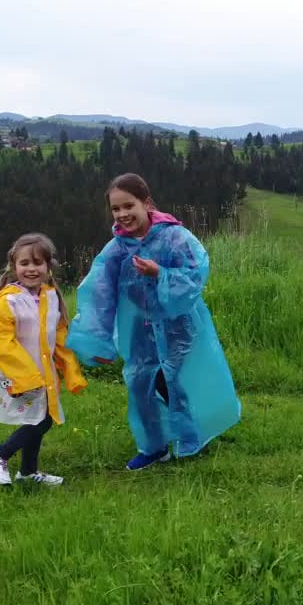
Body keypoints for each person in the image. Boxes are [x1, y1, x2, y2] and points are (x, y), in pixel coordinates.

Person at [67, 173, 240, 470]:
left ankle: (189, 438)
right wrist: (98, 339)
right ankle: (153, 446)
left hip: (177, 325)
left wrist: (160, 273)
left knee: (174, 381)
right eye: (115, 209)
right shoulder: (117, 250)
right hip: (139, 330)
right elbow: (99, 295)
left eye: (128, 205)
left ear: (146, 203)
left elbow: (195, 274)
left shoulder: (175, 237)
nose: (122, 214)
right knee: (139, 384)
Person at [0, 233, 87, 486]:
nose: (31, 269)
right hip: (15, 372)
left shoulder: (50, 296)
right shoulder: (8, 301)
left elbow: (59, 335)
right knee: (42, 419)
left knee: (38, 416)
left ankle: (27, 472)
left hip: (42, 371)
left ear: (48, 266)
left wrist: (70, 370)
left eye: (37, 263)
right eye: (24, 263)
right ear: (14, 267)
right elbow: (2, 343)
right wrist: (24, 376)